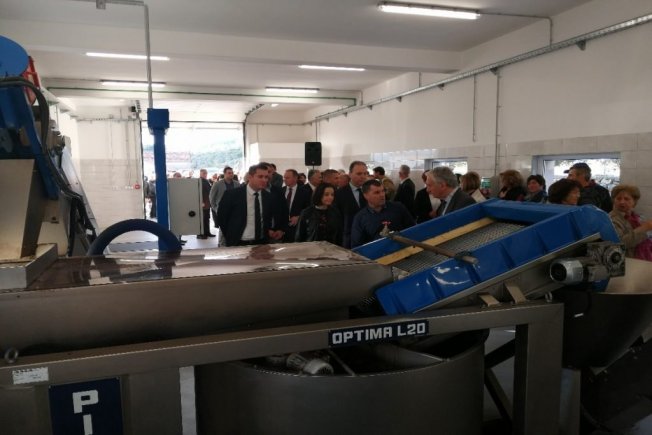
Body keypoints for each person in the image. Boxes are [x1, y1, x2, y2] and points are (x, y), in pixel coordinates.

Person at [217, 163, 288, 246]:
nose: (264, 180)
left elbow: (267, 219)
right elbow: (222, 218)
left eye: (266, 177)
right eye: (260, 177)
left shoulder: (268, 197)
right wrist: (231, 236)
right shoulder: (232, 195)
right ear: (250, 177)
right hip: (238, 242)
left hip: (261, 243)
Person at [351, 179, 415, 248]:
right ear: (366, 196)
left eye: (383, 191)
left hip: (403, 250)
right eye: (377, 192)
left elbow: (413, 229)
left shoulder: (398, 208)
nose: (382, 195)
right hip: (377, 253)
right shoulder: (360, 218)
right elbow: (357, 246)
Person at [608, 184, 652, 261]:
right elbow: (621, 243)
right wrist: (644, 229)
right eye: (618, 198)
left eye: (626, 199)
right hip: (625, 261)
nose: (622, 202)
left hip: (641, 258)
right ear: (614, 201)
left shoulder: (636, 217)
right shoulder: (611, 219)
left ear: (634, 202)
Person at [335, 161, 369, 248]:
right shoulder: (339, 194)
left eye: (365, 173)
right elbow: (337, 219)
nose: (363, 176)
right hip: (348, 239)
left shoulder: (370, 191)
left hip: (369, 237)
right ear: (350, 174)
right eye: (359, 173)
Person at [209, 166, 240, 238]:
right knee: (222, 228)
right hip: (222, 210)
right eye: (229, 173)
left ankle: (232, 241)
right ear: (225, 174)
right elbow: (211, 197)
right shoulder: (217, 184)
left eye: (232, 173)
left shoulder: (237, 184)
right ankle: (221, 243)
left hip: (234, 210)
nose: (231, 174)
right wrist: (216, 209)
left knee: (234, 227)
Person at [282, 169, 311, 242]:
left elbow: (309, 209)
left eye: (287, 178)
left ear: (295, 178)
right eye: (284, 177)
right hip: (282, 228)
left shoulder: (305, 192)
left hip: (297, 227)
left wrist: (299, 217)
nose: (284, 180)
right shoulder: (280, 191)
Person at [197, 168, 215, 239]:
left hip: (207, 203)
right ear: (200, 173)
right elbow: (198, 192)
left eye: (206, 173)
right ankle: (200, 234)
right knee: (201, 219)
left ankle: (207, 232)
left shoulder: (206, 181)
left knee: (207, 218)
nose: (205, 174)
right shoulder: (199, 181)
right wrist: (201, 202)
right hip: (202, 203)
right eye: (204, 173)